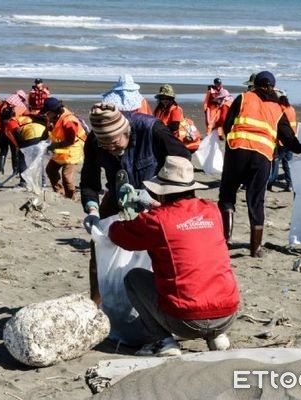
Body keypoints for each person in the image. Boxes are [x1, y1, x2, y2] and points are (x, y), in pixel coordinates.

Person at [108, 156, 239, 356]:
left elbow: (119, 236)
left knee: (134, 278)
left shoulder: (157, 221)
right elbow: (182, 219)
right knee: (206, 272)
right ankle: (216, 335)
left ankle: (163, 341)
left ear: (162, 192)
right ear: (192, 188)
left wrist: (123, 217)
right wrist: (152, 207)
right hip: (227, 315)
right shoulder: (212, 210)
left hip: (186, 321)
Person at [81, 102, 191, 303]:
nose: (111, 150)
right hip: (118, 195)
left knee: (158, 254)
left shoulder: (152, 130)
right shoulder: (94, 141)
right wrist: (92, 211)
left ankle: (163, 302)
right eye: (104, 146)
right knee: (99, 249)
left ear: (126, 132)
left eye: (114, 143)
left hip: (154, 197)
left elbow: (182, 158)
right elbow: (88, 182)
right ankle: (96, 306)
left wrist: (157, 189)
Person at [219, 71, 301, 257]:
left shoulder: (243, 98)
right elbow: (288, 137)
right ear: (272, 87)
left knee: (227, 196)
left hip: (237, 151)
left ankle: (224, 242)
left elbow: (228, 124)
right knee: (256, 199)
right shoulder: (277, 108)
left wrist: (232, 140)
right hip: (262, 156)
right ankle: (256, 249)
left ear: (255, 84)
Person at [43, 97, 87, 199]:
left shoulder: (69, 121)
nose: (46, 115)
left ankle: (71, 197)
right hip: (62, 149)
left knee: (66, 176)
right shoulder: (55, 117)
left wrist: (53, 146)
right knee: (50, 170)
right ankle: (59, 192)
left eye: (48, 113)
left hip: (73, 149)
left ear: (54, 111)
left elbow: (70, 140)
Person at [267, 90, 298, 192]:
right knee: (287, 163)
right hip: (291, 140)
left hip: (280, 142)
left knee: (274, 164)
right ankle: (289, 184)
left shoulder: (279, 109)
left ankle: (269, 183)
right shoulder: (291, 109)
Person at [0, 90, 28, 177]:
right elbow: (27, 116)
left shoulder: (5, 103)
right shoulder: (22, 107)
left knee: (3, 151)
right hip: (12, 131)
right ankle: (15, 170)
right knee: (14, 152)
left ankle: (1, 168)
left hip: (2, 130)